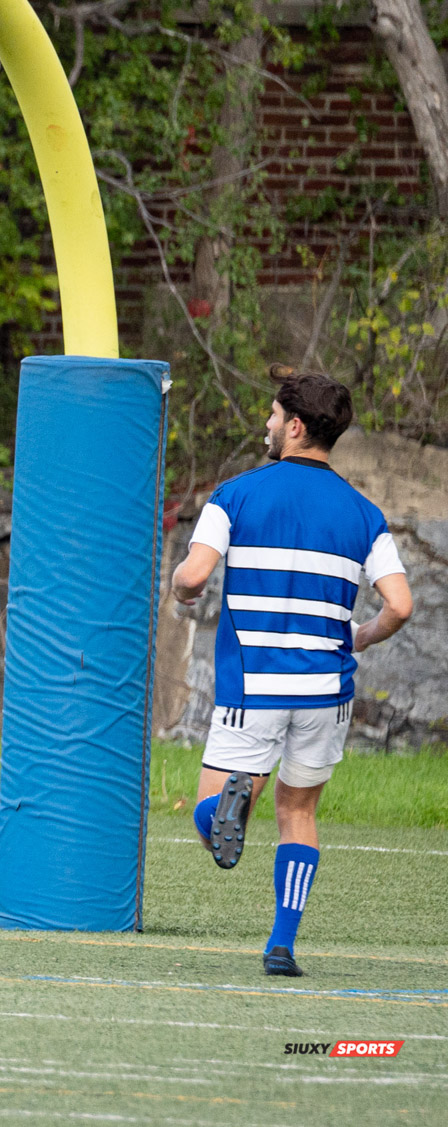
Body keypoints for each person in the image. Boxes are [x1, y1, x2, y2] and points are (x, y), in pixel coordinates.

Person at [169, 368, 413, 977]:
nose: (267, 424)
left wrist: (180, 588)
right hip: (327, 690)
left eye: (274, 416)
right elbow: (401, 605)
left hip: (256, 685)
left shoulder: (236, 494)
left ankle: (221, 811)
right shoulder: (364, 512)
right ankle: (282, 944)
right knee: (298, 813)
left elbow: (194, 577)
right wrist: (357, 636)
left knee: (212, 823)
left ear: (296, 426)